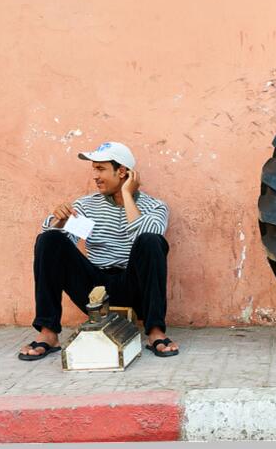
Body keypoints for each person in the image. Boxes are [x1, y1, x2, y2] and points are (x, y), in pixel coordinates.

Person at [18, 141, 179, 360]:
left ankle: (155, 331)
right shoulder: (87, 206)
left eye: (100, 169)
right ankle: (48, 333)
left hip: (136, 288)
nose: (95, 175)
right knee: (49, 239)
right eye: (94, 168)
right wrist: (59, 221)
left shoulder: (155, 206)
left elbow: (145, 234)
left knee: (151, 241)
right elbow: (57, 248)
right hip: (95, 290)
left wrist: (127, 195)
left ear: (122, 172)